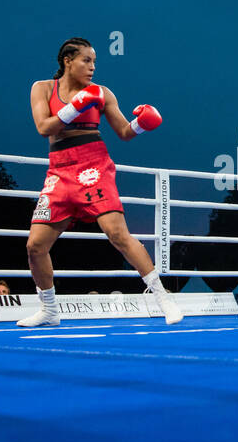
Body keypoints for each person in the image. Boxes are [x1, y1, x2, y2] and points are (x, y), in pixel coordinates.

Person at [19, 37, 182, 328]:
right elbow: (44, 127)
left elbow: (123, 131)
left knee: (117, 233)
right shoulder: (42, 88)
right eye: (86, 60)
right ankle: (49, 310)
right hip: (58, 170)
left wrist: (142, 124)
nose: (93, 67)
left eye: (95, 61)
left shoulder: (102, 92)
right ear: (68, 60)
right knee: (35, 245)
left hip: (93, 165)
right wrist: (75, 106)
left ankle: (163, 298)